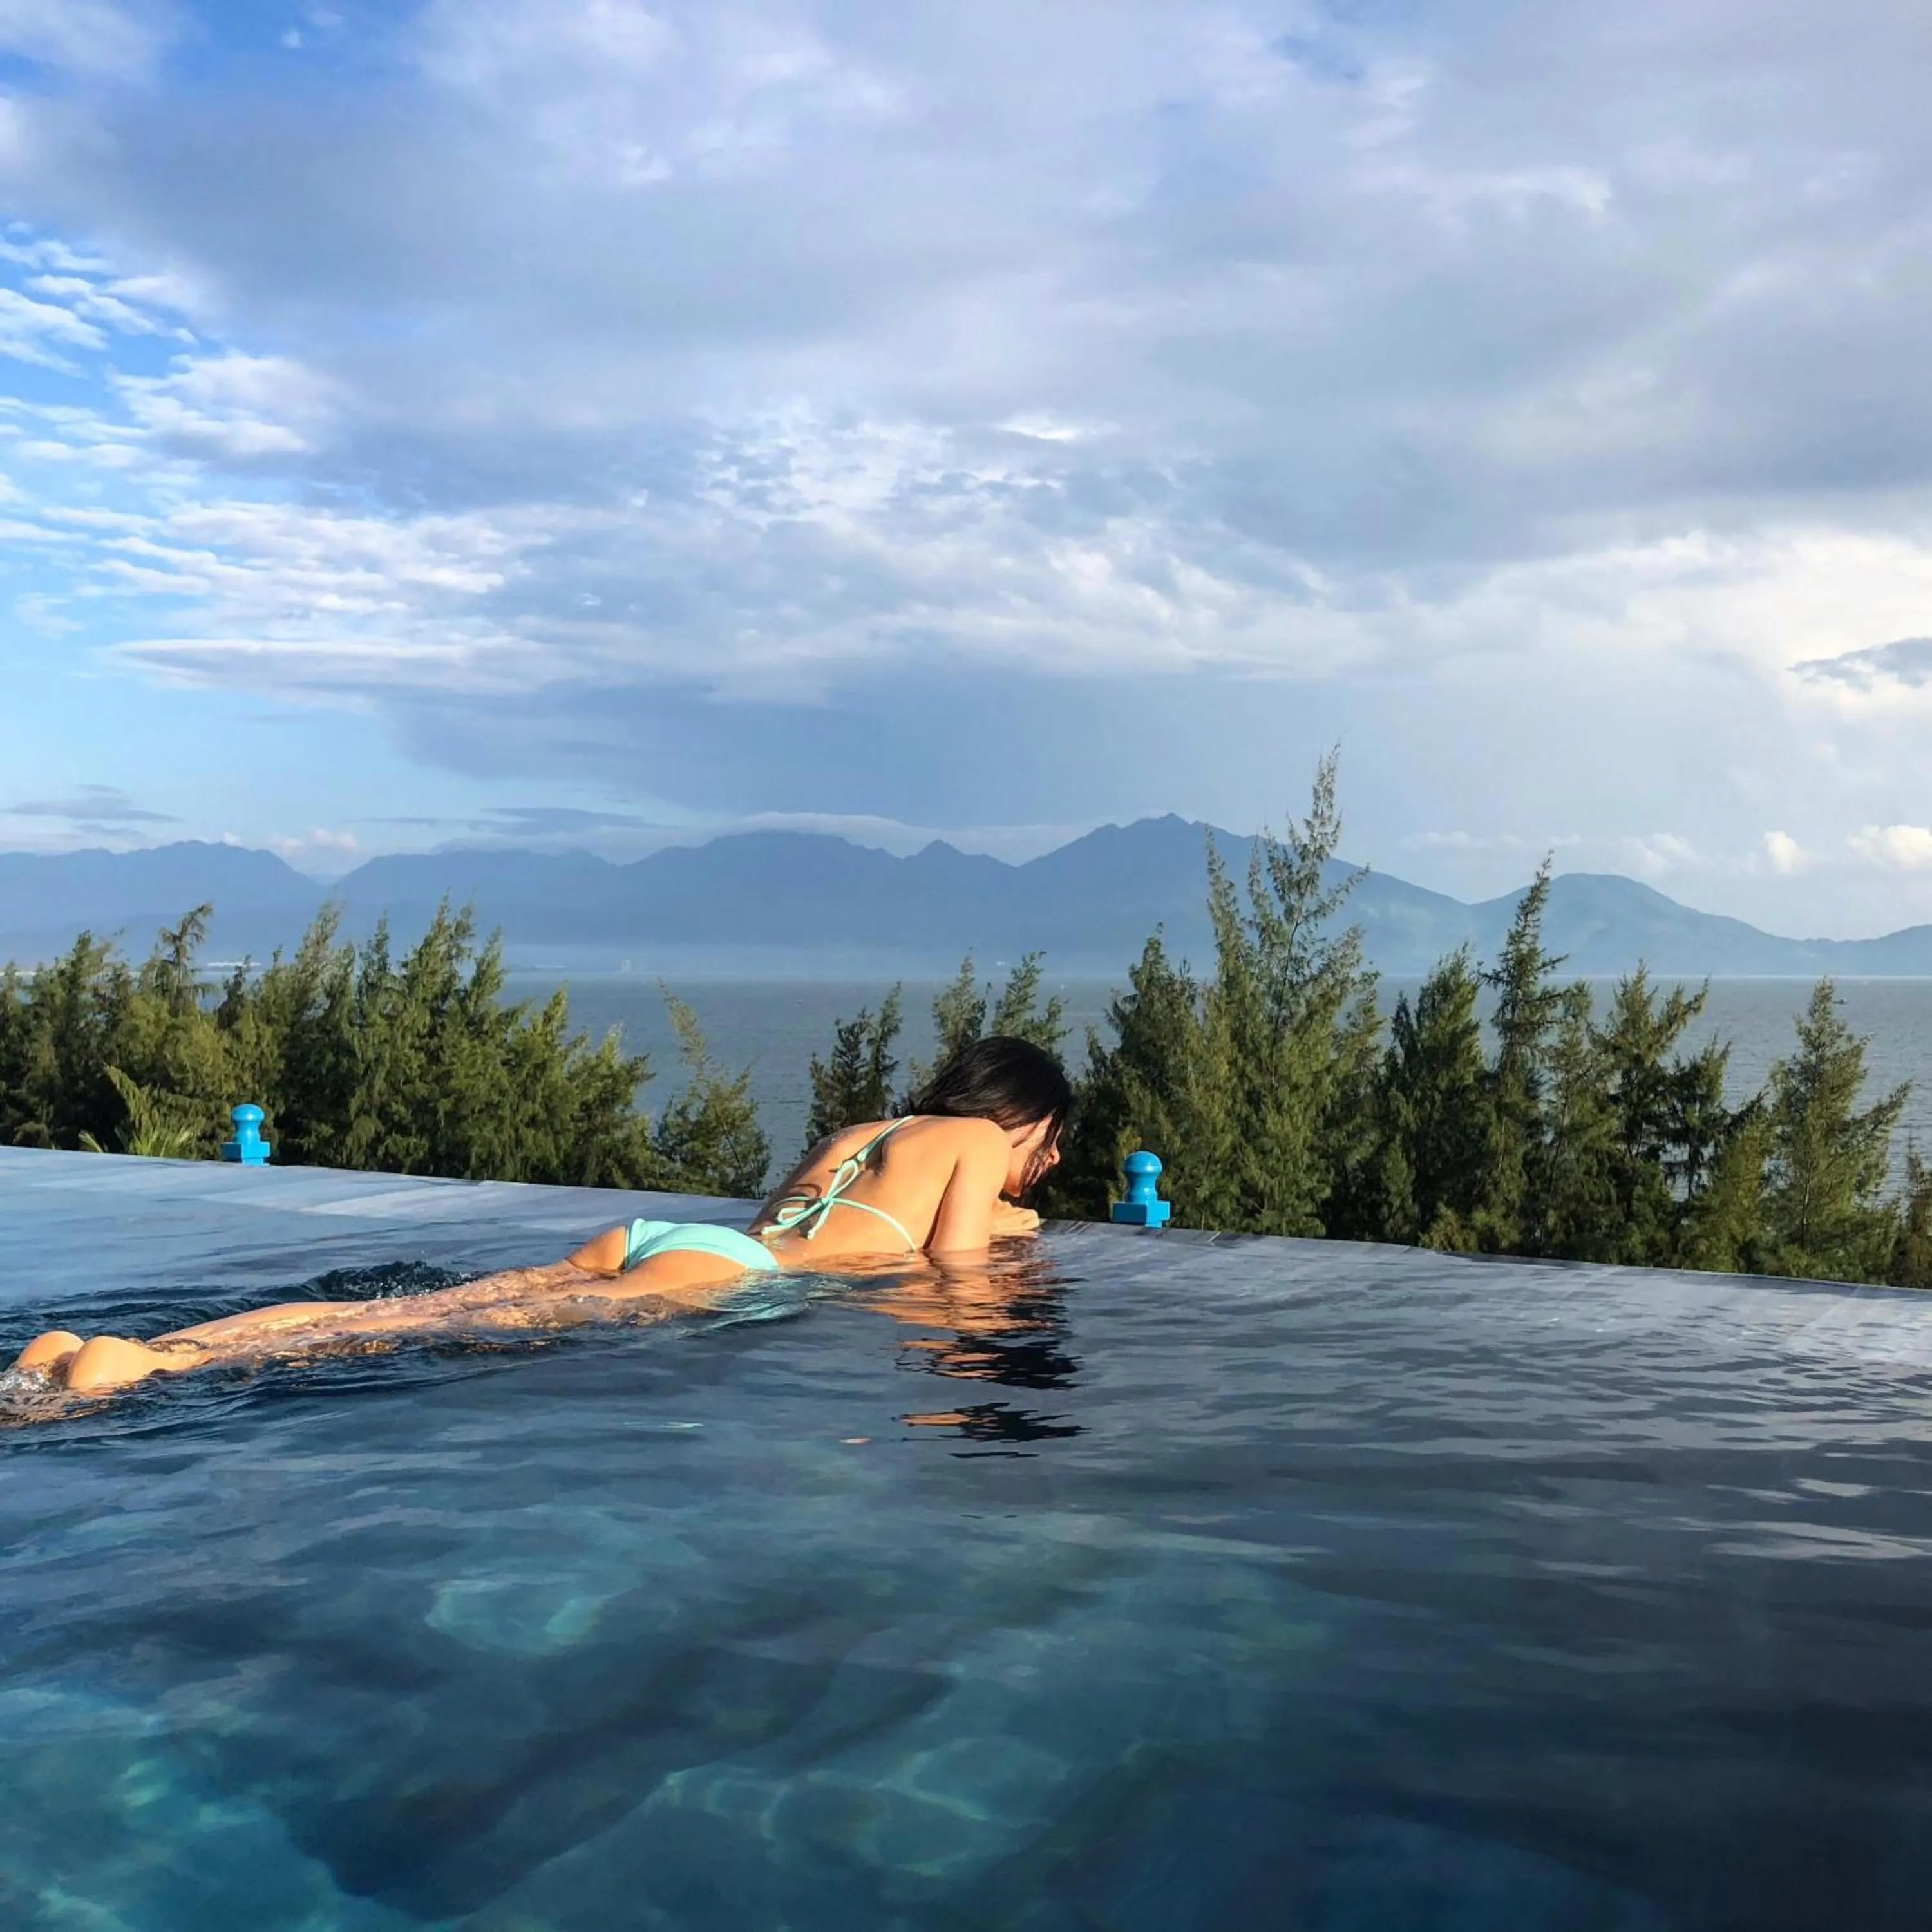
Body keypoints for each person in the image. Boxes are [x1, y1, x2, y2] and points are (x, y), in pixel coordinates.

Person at [12, 1036, 1070, 1397]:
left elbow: (798, 1219)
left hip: (671, 1243)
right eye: (1052, 1140)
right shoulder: (980, 1142)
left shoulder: (865, 1128)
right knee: (439, 1329)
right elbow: (954, 1275)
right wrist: (1008, 1237)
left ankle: (140, 1350)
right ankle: (139, 1372)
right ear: (1022, 1118)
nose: (1051, 1160)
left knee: (425, 1306)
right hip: (726, 1275)